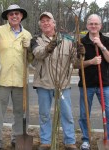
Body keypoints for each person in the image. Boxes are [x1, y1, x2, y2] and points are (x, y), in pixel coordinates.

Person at [31, 12, 79, 150]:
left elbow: (75, 62)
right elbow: (38, 53)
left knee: (67, 114)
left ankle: (69, 141)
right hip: (43, 84)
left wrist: (80, 53)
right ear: (40, 25)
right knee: (44, 114)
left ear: (54, 23)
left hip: (62, 84)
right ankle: (46, 141)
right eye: (43, 21)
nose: (46, 23)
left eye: (48, 20)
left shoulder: (67, 40)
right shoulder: (36, 39)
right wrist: (49, 47)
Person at [0, 4, 32, 150]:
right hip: (2, 79)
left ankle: (17, 138)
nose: (14, 16)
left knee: (20, 112)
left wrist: (30, 49)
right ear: (7, 17)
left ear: (21, 16)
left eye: (17, 14)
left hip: (21, 80)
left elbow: (31, 59)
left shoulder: (27, 34)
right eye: (11, 14)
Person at [76, 14, 109, 150]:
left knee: (108, 111)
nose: (94, 26)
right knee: (85, 114)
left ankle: (107, 138)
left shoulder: (106, 40)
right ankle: (86, 139)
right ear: (87, 25)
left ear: (100, 26)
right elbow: (75, 64)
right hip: (86, 84)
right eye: (91, 24)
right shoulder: (80, 42)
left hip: (105, 83)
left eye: (96, 24)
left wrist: (101, 46)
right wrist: (91, 62)